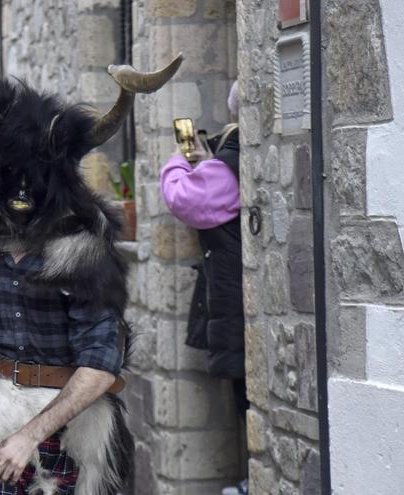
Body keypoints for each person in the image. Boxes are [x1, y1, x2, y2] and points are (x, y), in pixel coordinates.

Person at [0, 2, 183, 491]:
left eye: (33, 189)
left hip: (69, 421)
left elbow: (99, 364)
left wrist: (29, 436)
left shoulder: (86, 249)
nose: (21, 200)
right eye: (12, 183)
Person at [159, 81, 248, 495]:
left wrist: (178, 161)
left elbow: (185, 199)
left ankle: (251, 480)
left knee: (245, 388)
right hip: (236, 288)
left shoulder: (230, 157)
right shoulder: (231, 154)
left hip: (234, 293)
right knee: (244, 384)